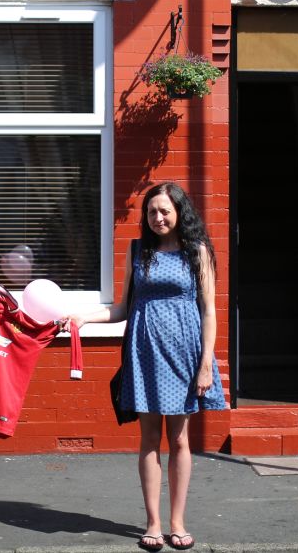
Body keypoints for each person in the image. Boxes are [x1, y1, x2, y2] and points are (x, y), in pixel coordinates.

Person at [63, 183, 226, 552]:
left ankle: (177, 522)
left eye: (165, 211)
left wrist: (205, 365)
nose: (158, 218)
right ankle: (153, 523)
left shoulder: (196, 251)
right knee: (149, 439)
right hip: (145, 354)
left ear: (180, 212)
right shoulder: (137, 251)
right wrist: (83, 318)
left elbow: (209, 312)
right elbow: (121, 308)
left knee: (180, 439)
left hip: (185, 355)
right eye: (152, 212)